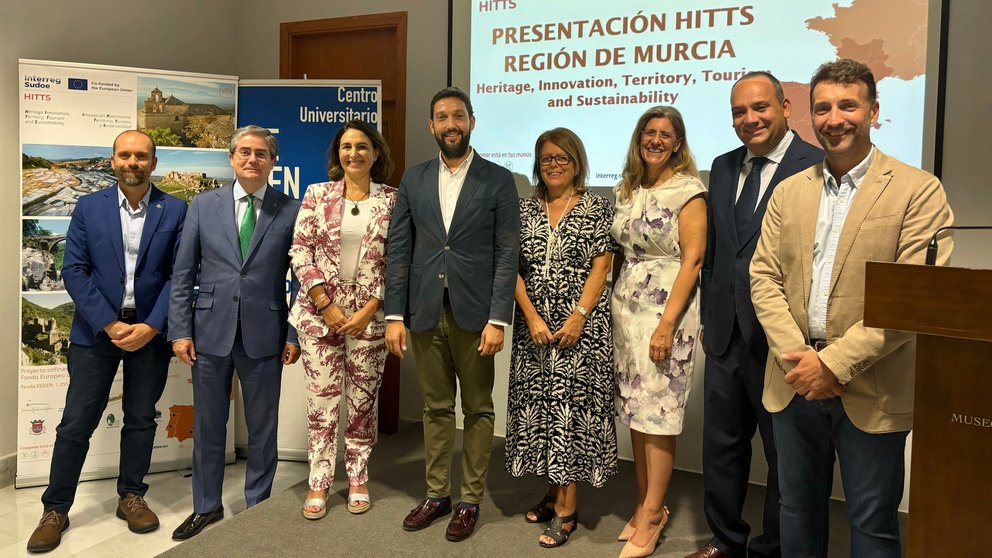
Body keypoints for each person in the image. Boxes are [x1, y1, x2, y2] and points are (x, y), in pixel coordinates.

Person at [750, 59, 953, 558]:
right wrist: (801, 360)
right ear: (809, 116)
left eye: (848, 105)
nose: (834, 118)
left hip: (872, 384)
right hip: (793, 378)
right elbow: (763, 278)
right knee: (796, 512)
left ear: (873, 111)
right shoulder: (789, 192)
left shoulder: (917, 190)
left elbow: (915, 299)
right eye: (822, 108)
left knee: (872, 523)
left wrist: (833, 364)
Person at [26, 131, 187, 553]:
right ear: (113, 161)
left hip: (150, 331)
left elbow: (180, 274)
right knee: (76, 422)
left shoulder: (176, 209)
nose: (132, 162)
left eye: (141, 156)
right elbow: (73, 270)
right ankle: (55, 509)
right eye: (125, 155)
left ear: (154, 162)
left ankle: (131, 495)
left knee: (140, 418)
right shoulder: (88, 207)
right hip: (97, 331)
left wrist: (152, 325)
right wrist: (110, 325)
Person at [689, 72, 822, 558]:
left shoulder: (818, 164)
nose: (750, 119)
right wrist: (707, 315)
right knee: (721, 448)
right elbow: (719, 250)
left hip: (783, 338)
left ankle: (774, 549)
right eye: (739, 112)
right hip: (724, 333)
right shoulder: (722, 167)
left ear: (787, 107)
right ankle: (725, 541)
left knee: (785, 457)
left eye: (760, 108)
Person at [385, 87, 519, 542]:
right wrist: (393, 315)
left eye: (458, 116)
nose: (450, 124)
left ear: (472, 121)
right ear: (431, 126)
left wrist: (499, 318)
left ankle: (470, 500)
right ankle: (437, 493)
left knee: (478, 409)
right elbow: (399, 249)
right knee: (435, 407)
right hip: (423, 312)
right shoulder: (414, 178)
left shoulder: (498, 179)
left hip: (477, 316)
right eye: (441, 117)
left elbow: (507, 253)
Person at [168, 125, 302, 540]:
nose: (252, 159)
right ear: (231, 158)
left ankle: (256, 508)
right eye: (244, 152)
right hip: (209, 331)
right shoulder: (203, 205)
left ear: (272, 162)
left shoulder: (291, 209)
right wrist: (179, 330)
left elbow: (302, 278)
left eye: (261, 153)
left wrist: (294, 333)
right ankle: (206, 507)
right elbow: (184, 271)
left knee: (262, 428)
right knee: (208, 426)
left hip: (267, 332)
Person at [506, 127, 618, 548]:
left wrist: (578, 316)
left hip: (581, 331)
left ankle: (568, 509)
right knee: (542, 410)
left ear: (577, 163)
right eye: (547, 158)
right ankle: (553, 494)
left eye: (562, 158)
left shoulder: (594, 206)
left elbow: (601, 266)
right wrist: (531, 316)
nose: (554, 165)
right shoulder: (523, 209)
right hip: (533, 328)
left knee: (570, 414)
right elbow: (510, 266)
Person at [288, 120, 398, 519]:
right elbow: (300, 251)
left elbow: (397, 260)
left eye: (362, 146)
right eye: (346, 146)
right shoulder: (317, 195)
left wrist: (369, 307)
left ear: (376, 153)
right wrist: (326, 305)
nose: (354, 153)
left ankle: (357, 477)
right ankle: (318, 481)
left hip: (370, 318)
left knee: (362, 403)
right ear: (337, 154)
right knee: (322, 403)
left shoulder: (392, 200)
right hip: (320, 318)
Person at [612, 106, 707, 558]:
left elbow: (692, 260)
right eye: (648, 132)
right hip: (626, 313)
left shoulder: (689, 191)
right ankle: (643, 503)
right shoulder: (629, 188)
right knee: (635, 411)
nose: (655, 140)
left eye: (665, 134)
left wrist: (667, 325)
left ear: (678, 142)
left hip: (666, 313)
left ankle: (653, 515)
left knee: (659, 415)